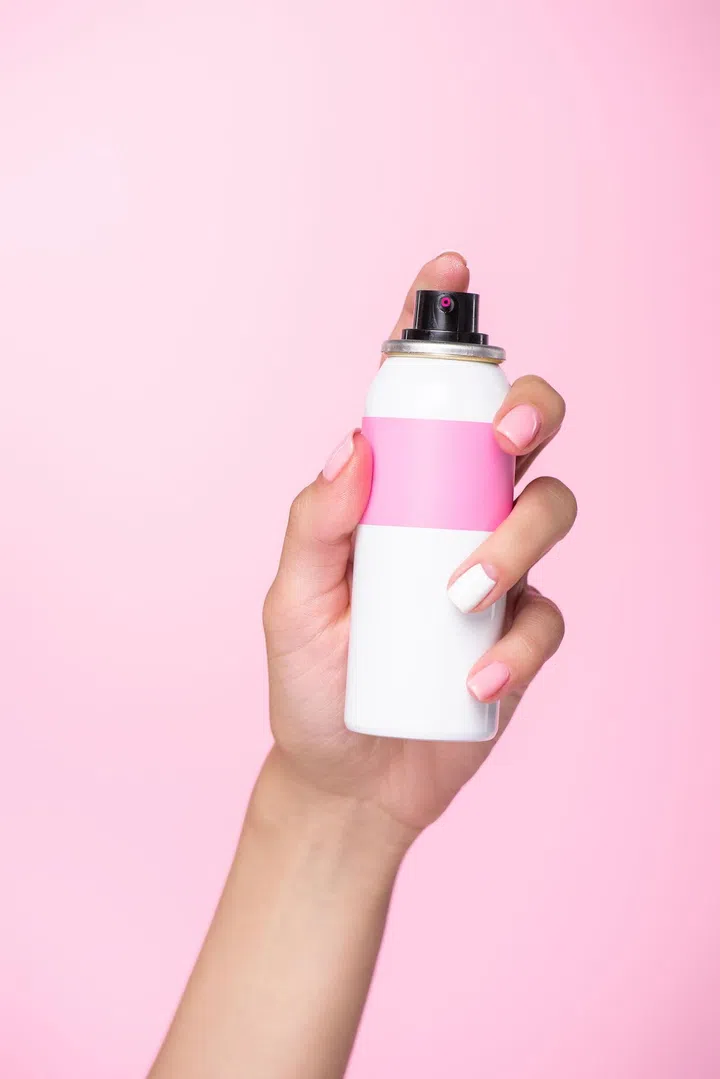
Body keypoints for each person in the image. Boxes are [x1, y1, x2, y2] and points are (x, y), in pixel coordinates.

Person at [148, 252, 577, 1079]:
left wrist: (337, 806)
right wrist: (332, 799)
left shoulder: (454, 393)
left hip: (353, 789)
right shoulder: (415, 389)